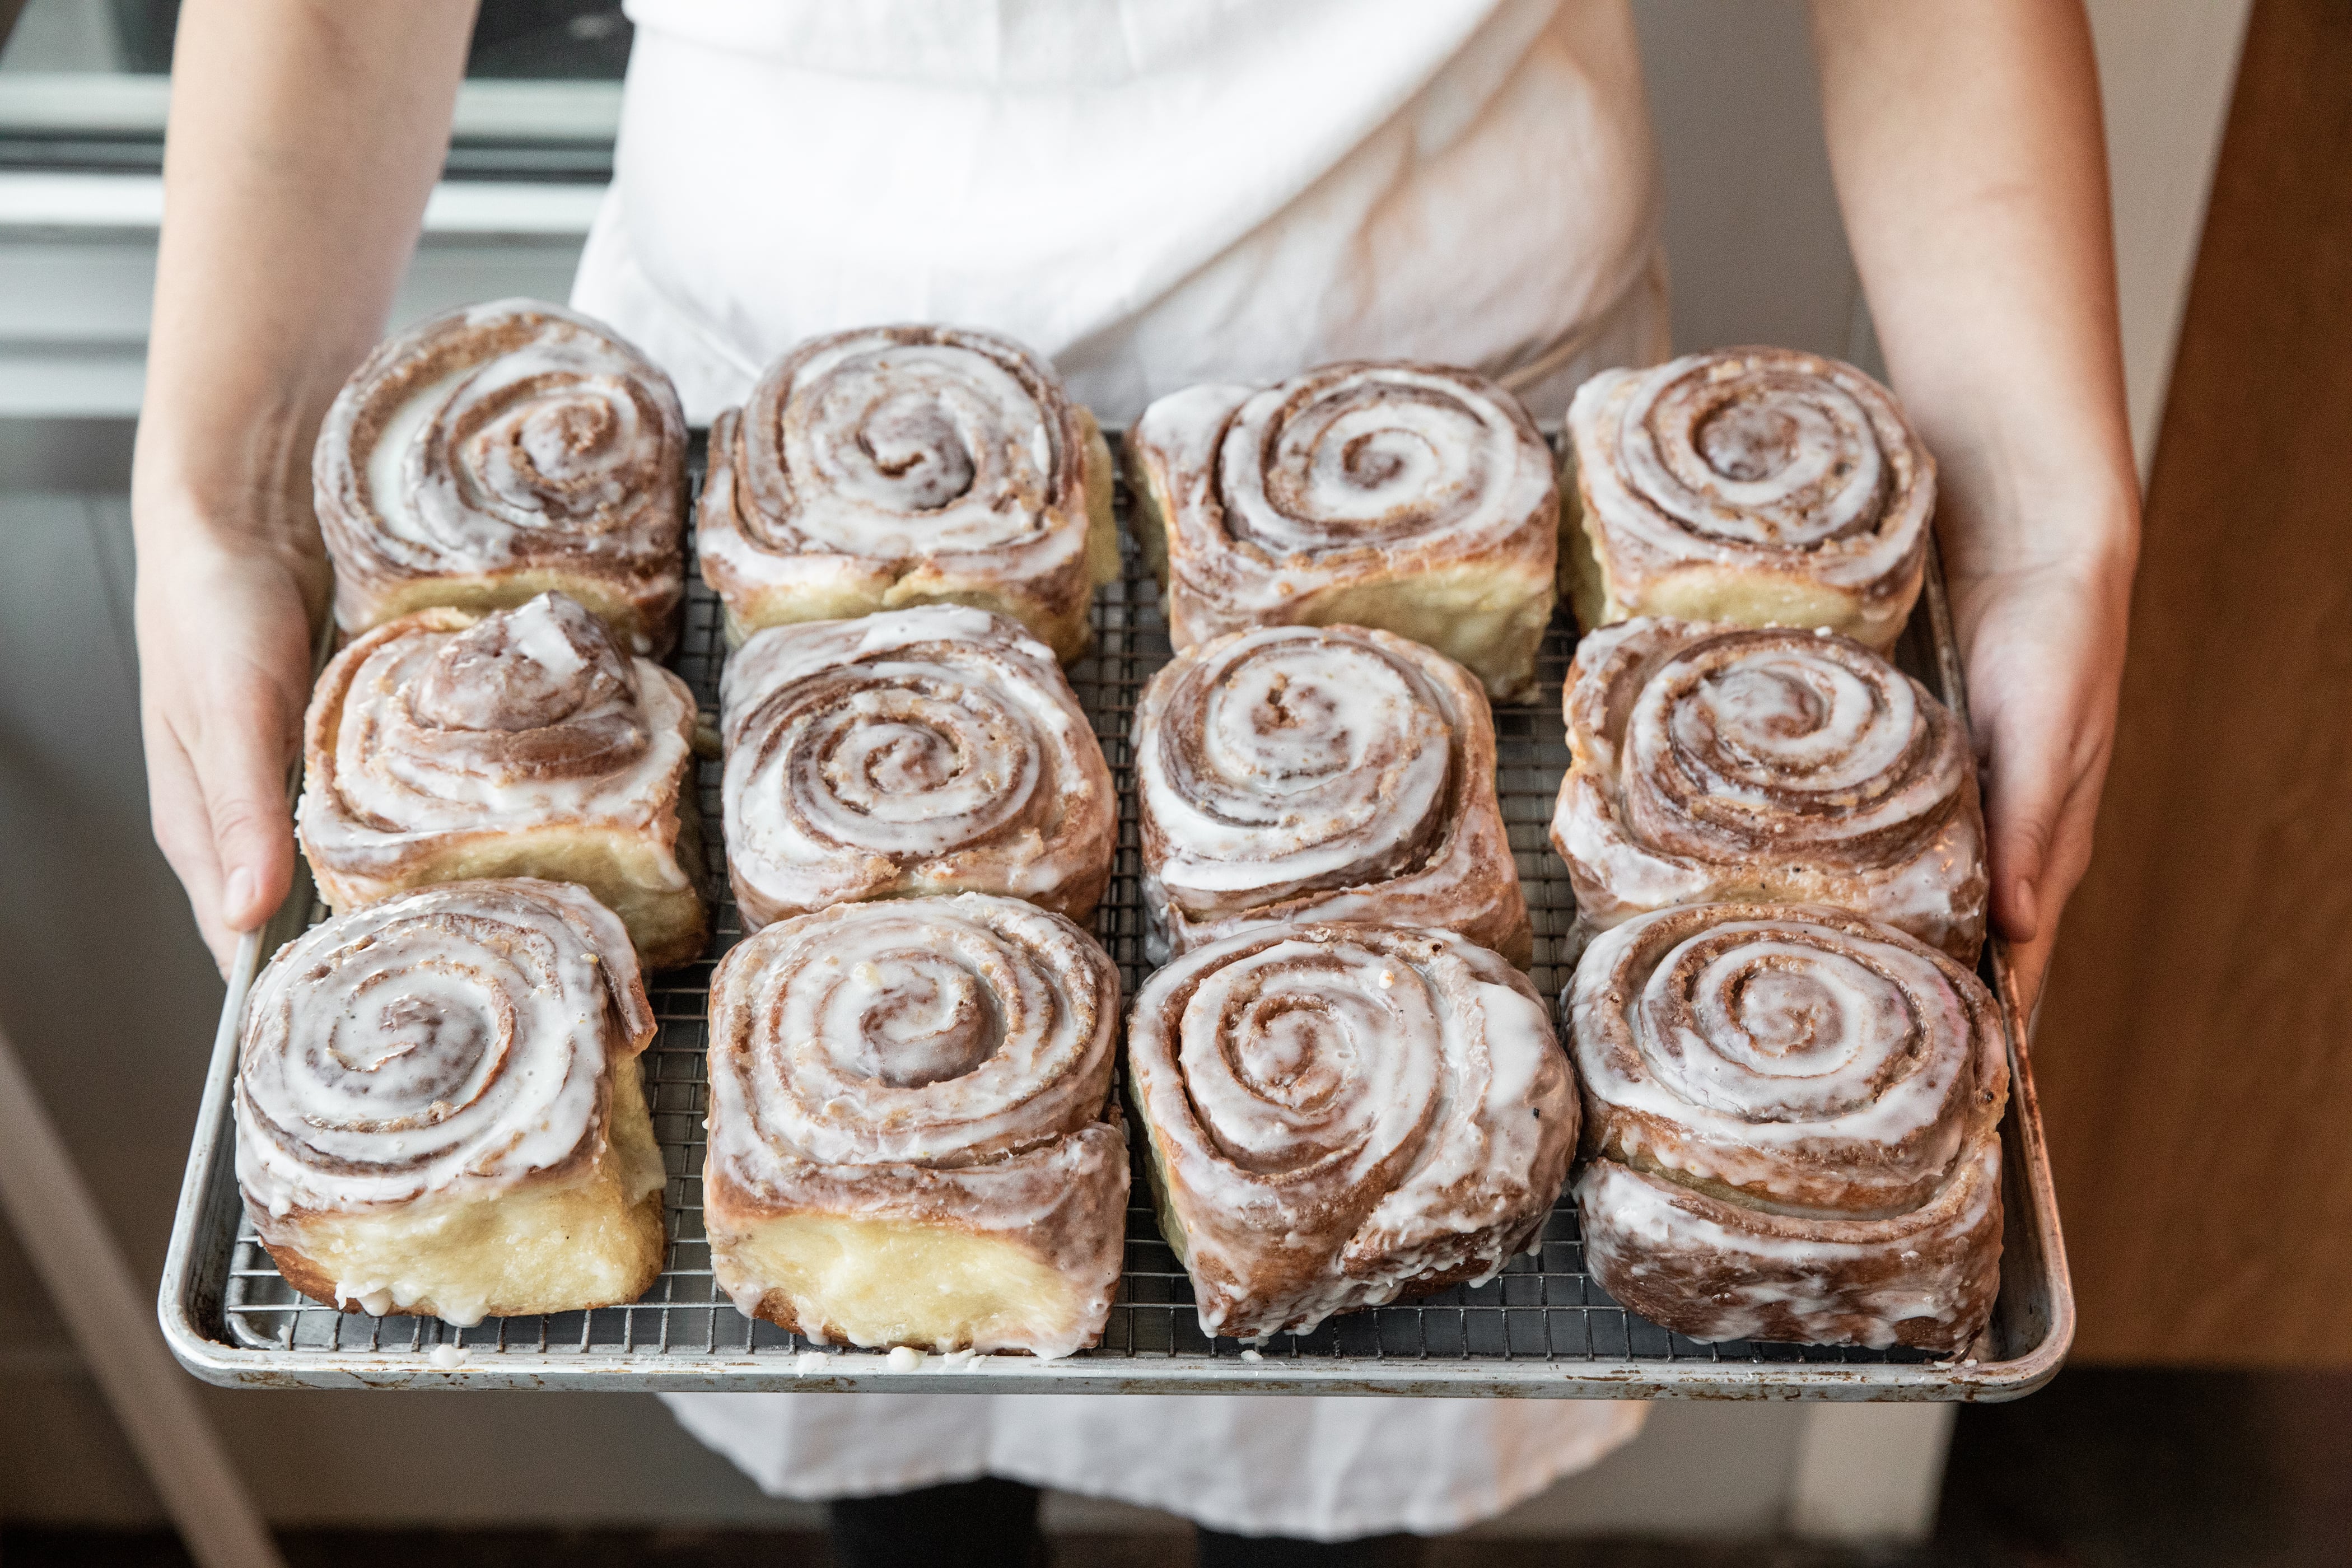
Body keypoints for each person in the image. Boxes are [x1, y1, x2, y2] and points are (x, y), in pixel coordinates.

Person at [131, 1, 2139, 1561]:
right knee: (883, 1392)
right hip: (761, 465)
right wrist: (220, 490)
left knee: (1366, 1403)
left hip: (1444, 408)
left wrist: (2042, 516)